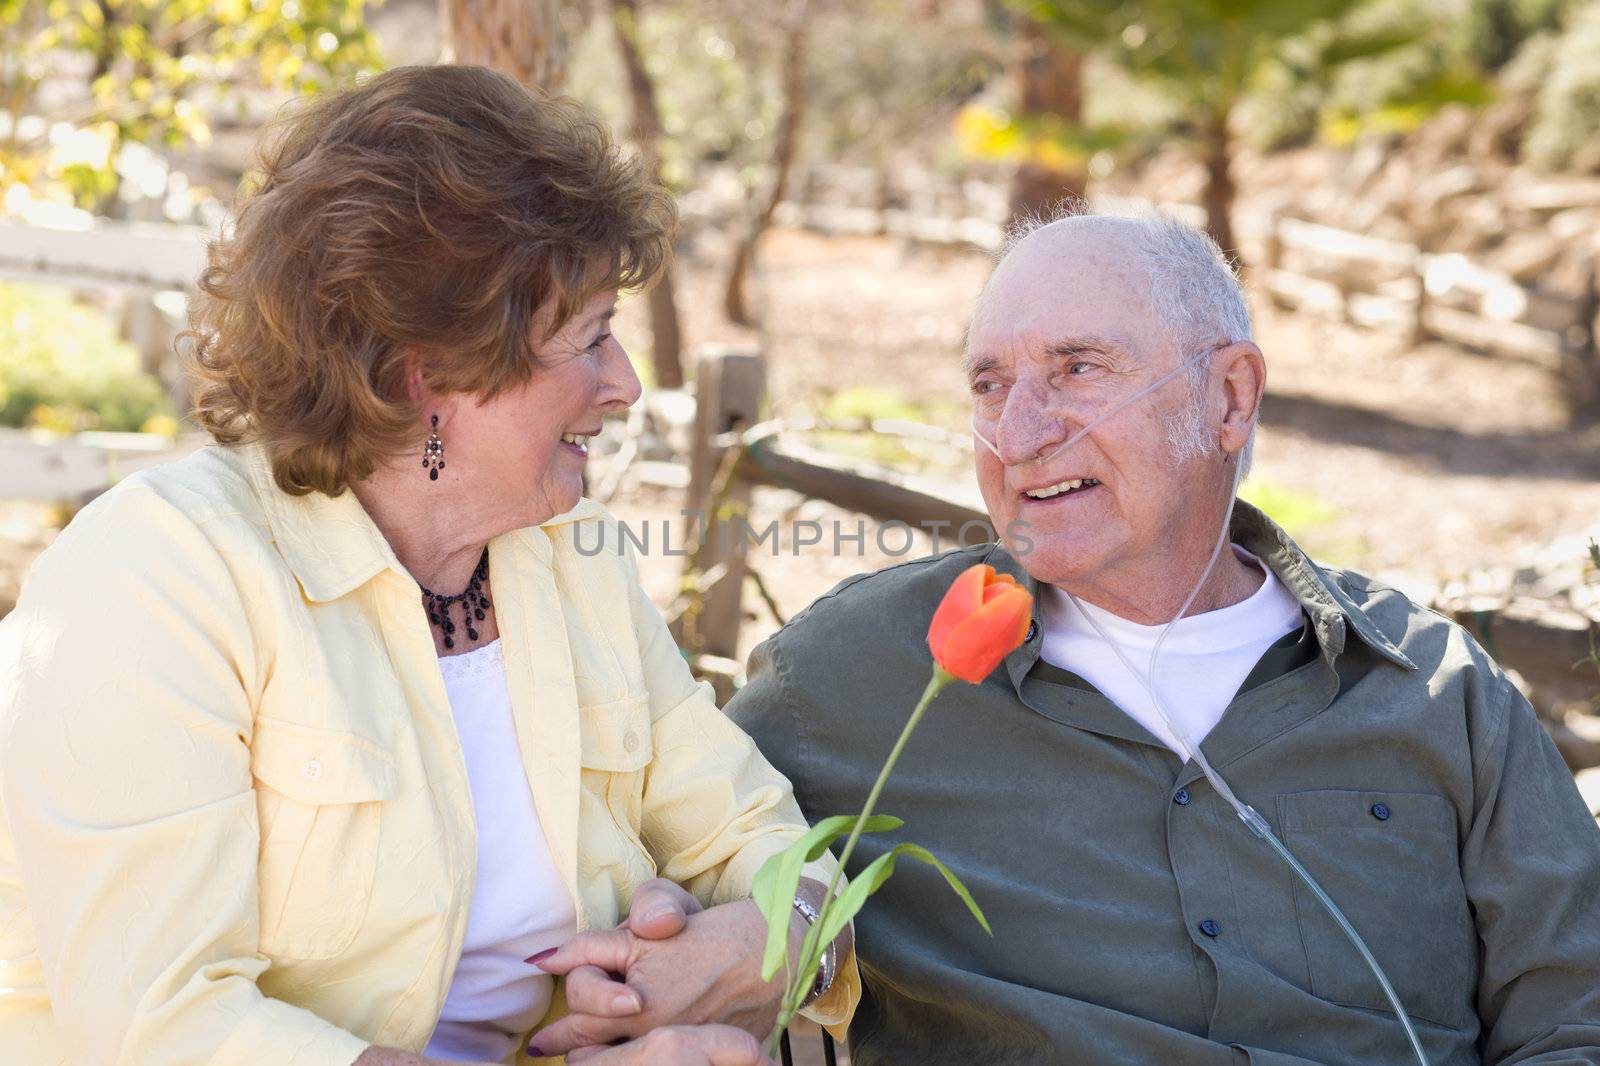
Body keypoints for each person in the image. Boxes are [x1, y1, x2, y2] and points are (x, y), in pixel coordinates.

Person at [0, 65, 853, 1066]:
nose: (623, 386)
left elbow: (766, 840)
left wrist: (758, 943)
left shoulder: (567, 555)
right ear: (429, 377)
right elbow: (160, 1023)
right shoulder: (159, 577)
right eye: (590, 341)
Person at [716, 208, 1600, 1064]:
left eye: (1078, 369)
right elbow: (651, 867)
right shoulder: (849, 676)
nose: (1017, 435)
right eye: (989, 385)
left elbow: (1577, 1019)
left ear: (1229, 398)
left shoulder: (1437, 689)